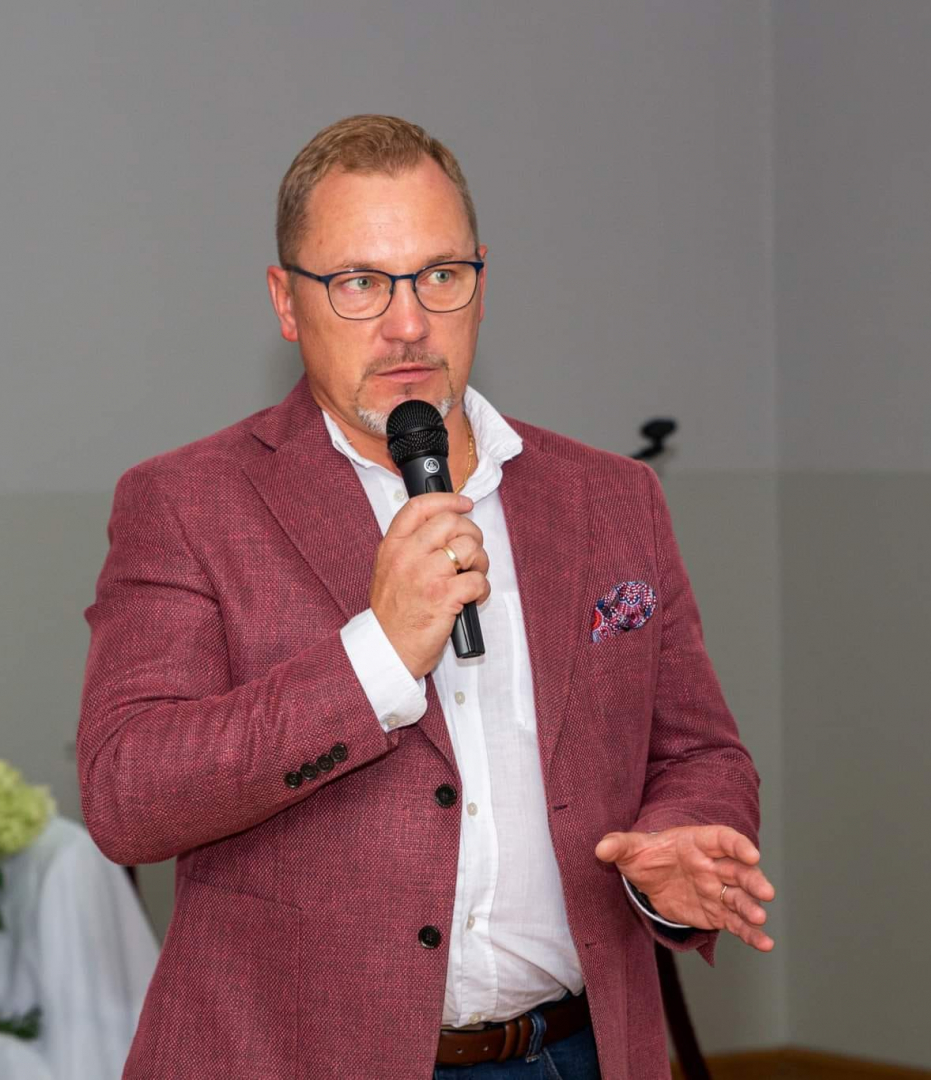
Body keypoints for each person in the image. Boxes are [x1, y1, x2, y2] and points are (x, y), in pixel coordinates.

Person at [78, 114, 773, 1080]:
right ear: (286, 302)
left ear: (482, 284)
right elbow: (129, 797)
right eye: (360, 282)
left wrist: (670, 851)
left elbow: (698, 751)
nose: (408, 323)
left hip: (574, 1052)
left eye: (440, 275)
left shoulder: (612, 497)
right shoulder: (189, 503)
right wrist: (376, 655)